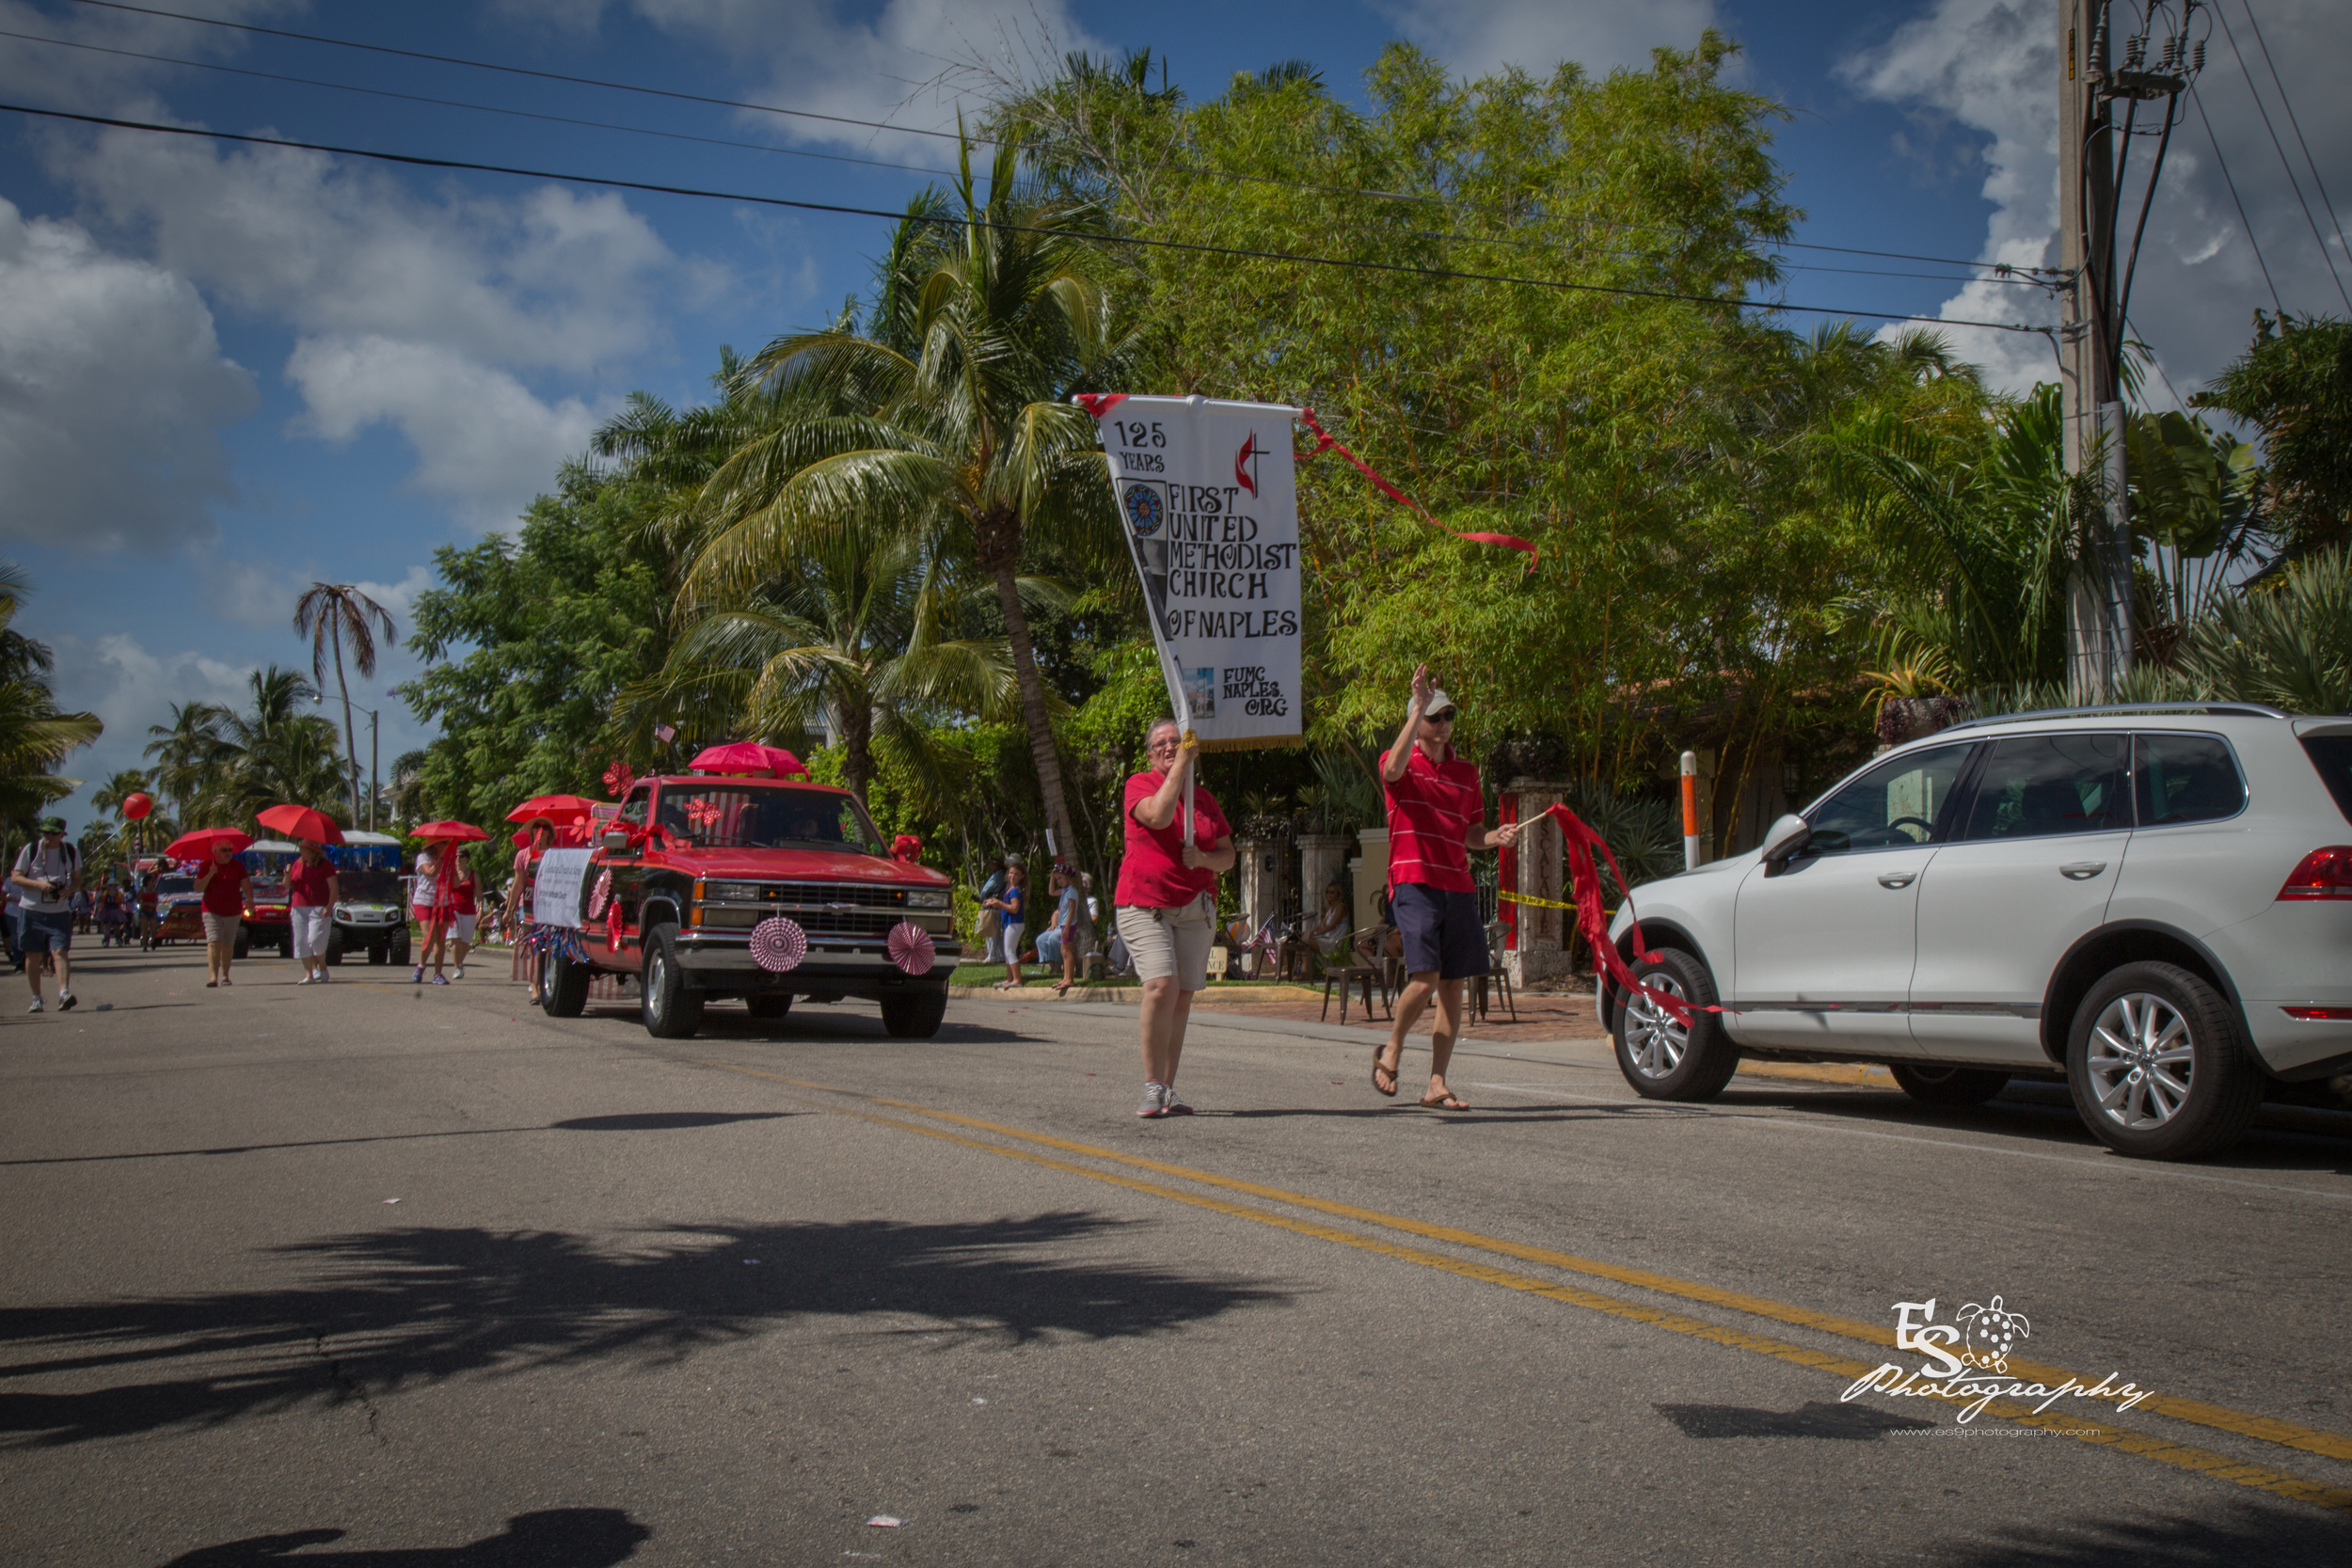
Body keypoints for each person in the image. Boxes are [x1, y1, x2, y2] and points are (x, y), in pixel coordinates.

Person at [1371, 668, 1523, 1111]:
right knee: (1425, 980)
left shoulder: (1466, 772)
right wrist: (1415, 705)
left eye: (1447, 716)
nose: (1443, 724)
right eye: (1434, 717)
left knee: (1454, 986)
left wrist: (1495, 837)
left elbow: (1471, 833)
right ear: (1417, 721)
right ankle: (1393, 1047)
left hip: (1457, 884)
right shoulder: (1397, 762)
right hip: (1414, 880)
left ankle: (1437, 1082)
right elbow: (1393, 770)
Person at [1115, 716, 1236, 1117]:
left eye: (1177, 741)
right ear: (1150, 754)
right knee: (1161, 986)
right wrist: (1182, 764)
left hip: (1194, 907)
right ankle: (1152, 1087)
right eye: (1162, 743)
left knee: (1182, 995)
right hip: (1144, 904)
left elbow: (1228, 855)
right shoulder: (1139, 785)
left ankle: (1167, 1088)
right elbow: (1161, 816)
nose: (1170, 747)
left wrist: (1203, 858)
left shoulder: (1205, 800)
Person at [11, 817, 81, 1012]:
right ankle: (36, 998)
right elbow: (16, 876)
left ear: (61, 834)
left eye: (53, 833)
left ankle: (64, 994)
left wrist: (69, 890)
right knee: (32, 954)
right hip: (31, 910)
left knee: (60, 952)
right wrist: (39, 885)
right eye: (46, 832)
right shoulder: (31, 849)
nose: (48, 837)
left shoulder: (70, 851)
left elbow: (77, 879)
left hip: (58, 912)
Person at [194, 837, 247, 989]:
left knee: (228, 944)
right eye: (224, 850)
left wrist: (250, 899)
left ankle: (225, 975)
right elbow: (198, 888)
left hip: (233, 910)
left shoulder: (237, 865)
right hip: (211, 910)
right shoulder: (206, 865)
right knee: (214, 942)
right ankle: (213, 977)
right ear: (215, 852)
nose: (228, 853)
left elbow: (245, 884)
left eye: (230, 850)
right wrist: (210, 874)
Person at [287, 838, 340, 984]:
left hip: (318, 906)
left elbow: (334, 887)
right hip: (298, 906)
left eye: (304, 849)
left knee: (315, 940)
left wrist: (330, 906)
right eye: (301, 848)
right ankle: (309, 974)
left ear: (313, 851)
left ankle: (322, 965)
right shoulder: (297, 864)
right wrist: (287, 873)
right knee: (301, 941)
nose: (301, 851)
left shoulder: (325, 865)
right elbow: (287, 885)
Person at [513, 818, 554, 1002]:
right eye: (537, 827)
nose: (540, 830)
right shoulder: (523, 855)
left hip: (547, 905)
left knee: (547, 947)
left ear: (549, 833)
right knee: (533, 947)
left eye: (545, 827)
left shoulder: (554, 855)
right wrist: (509, 909)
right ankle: (535, 988)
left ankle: (546, 983)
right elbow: (518, 883)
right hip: (527, 905)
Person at [1044, 862, 1087, 996]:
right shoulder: (1064, 891)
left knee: (1067, 951)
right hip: (1063, 924)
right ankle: (1066, 977)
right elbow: (1051, 892)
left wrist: (1067, 926)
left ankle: (1070, 978)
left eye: (1060, 878)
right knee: (1063, 951)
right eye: (1057, 879)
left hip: (1069, 924)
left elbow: (1072, 910)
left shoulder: (1072, 891)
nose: (1059, 881)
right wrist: (1052, 877)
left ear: (1068, 877)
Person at [982, 863, 1027, 989]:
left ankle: (1017, 980)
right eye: (1011, 873)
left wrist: (999, 903)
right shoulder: (1009, 888)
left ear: (1022, 876)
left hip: (1015, 923)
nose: (1012, 876)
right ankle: (1010, 979)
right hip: (1009, 923)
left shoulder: (1016, 890)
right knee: (1007, 952)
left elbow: (1014, 908)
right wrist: (993, 902)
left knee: (1009, 951)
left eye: (1016, 874)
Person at [410, 843, 450, 985]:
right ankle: (421, 966)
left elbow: (456, 883)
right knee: (429, 935)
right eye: (443, 843)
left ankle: (438, 974)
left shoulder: (448, 859)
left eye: (447, 843)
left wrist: (454, 868)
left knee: (440, 938)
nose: (445, 845)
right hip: (424, 901)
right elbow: (430, 872)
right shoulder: (423, 857)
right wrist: (441, 858)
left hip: (443, 901)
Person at [447, 850, 479, 980]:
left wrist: (481, 909)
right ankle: (457, 968)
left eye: (461, 856)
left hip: (469, 911)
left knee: (465, 941)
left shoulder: (473, 874)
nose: (458, 858)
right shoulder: (451, 873)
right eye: (456, 856)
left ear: (467, 859)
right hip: (453, 909)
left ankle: (459, 964)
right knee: (455, 938)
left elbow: (479, 893)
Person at [1308, 880, 1351, 970]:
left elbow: (1331, 926)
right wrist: (1310, 932)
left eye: (1332, 892)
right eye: (1327, 892)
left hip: (1335, 941)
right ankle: (1302, 969)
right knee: (1304, 939)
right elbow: (1322, 926)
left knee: (1308, 940)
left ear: (1338, 894)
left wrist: (1315, 934)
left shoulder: (1341, 908)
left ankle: (1307, 969)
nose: (1329, 894)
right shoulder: (1331, 909)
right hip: (1328, 939)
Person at [974, 854, 1007, 964]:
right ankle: (998, 955)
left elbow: (986, 890)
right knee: (995, 931)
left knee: (992, 931)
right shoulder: (1001, 874)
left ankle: (992, 956)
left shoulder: (998, 875)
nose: (990, 866)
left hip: (993, 905)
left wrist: (980, 898)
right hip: (997, 906)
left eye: (992, 864)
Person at [136, 866, 162, 950]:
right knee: (144, 928)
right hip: (144, 910)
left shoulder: (154, 891)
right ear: (147, 881)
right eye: (152, 881)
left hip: (152, 911)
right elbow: (138, 901)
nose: (153, 882)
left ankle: (152, 941)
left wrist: (154, 904)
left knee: (153, 928)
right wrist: (147, 903)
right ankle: (144, 945)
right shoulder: (142, 891)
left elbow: (156, 900)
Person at [97, 883, 128, 947]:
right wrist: (100, 898)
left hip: (115, 910)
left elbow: (123, 900)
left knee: (117, 927)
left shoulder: (118, 893)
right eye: (109, 885)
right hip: (107, 910)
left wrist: (123, 902)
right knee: (107, 926)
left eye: (112, 885)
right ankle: (107, 940)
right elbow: (99, 900)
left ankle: (118, 939)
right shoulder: (105, 892)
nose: (110, 886)